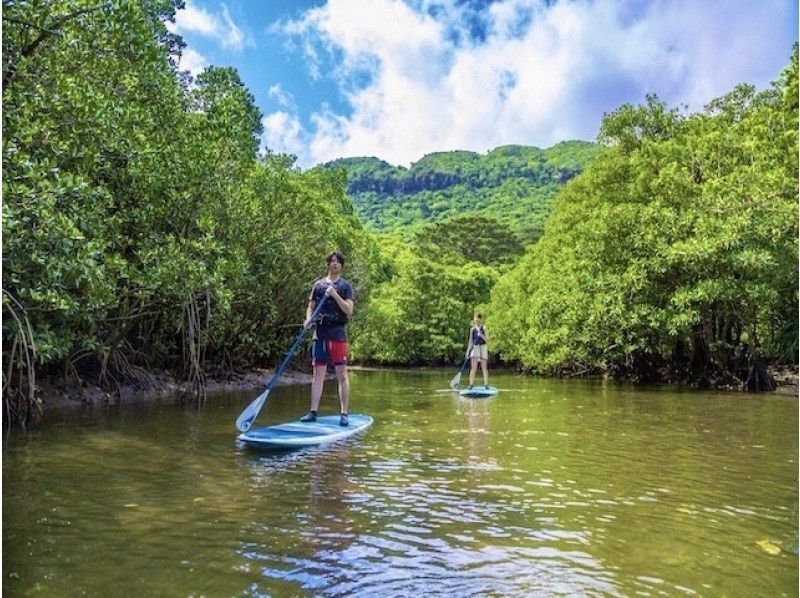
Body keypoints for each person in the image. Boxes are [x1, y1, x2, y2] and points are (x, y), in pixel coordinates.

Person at [300, 251, 355, 426]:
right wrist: (308, 319)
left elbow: (349, 310)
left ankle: (344, 413)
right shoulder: (318, 285)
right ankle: (313, 412)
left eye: (338, 262)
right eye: (332, 261)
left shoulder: (346, 286)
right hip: (320, 333)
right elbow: (311, 307)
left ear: (341, 266)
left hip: (337, 333)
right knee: (317, 374)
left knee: (341, 375)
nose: (334, 264)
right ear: (328, 264)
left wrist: (335, 295)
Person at [467, 313, 490, 388]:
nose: (477, 320)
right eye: (476, 318)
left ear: (481, 319)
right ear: (474, 319)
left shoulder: (484, 328)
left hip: (483, 347)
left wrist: (481, 335)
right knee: (473, 367)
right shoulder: (472, 329)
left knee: (484, 367)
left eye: (478, 318)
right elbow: (470, 341)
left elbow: (487, 340)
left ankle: (486, 385)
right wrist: (468, 352)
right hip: (475, 347)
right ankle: (471, 385)